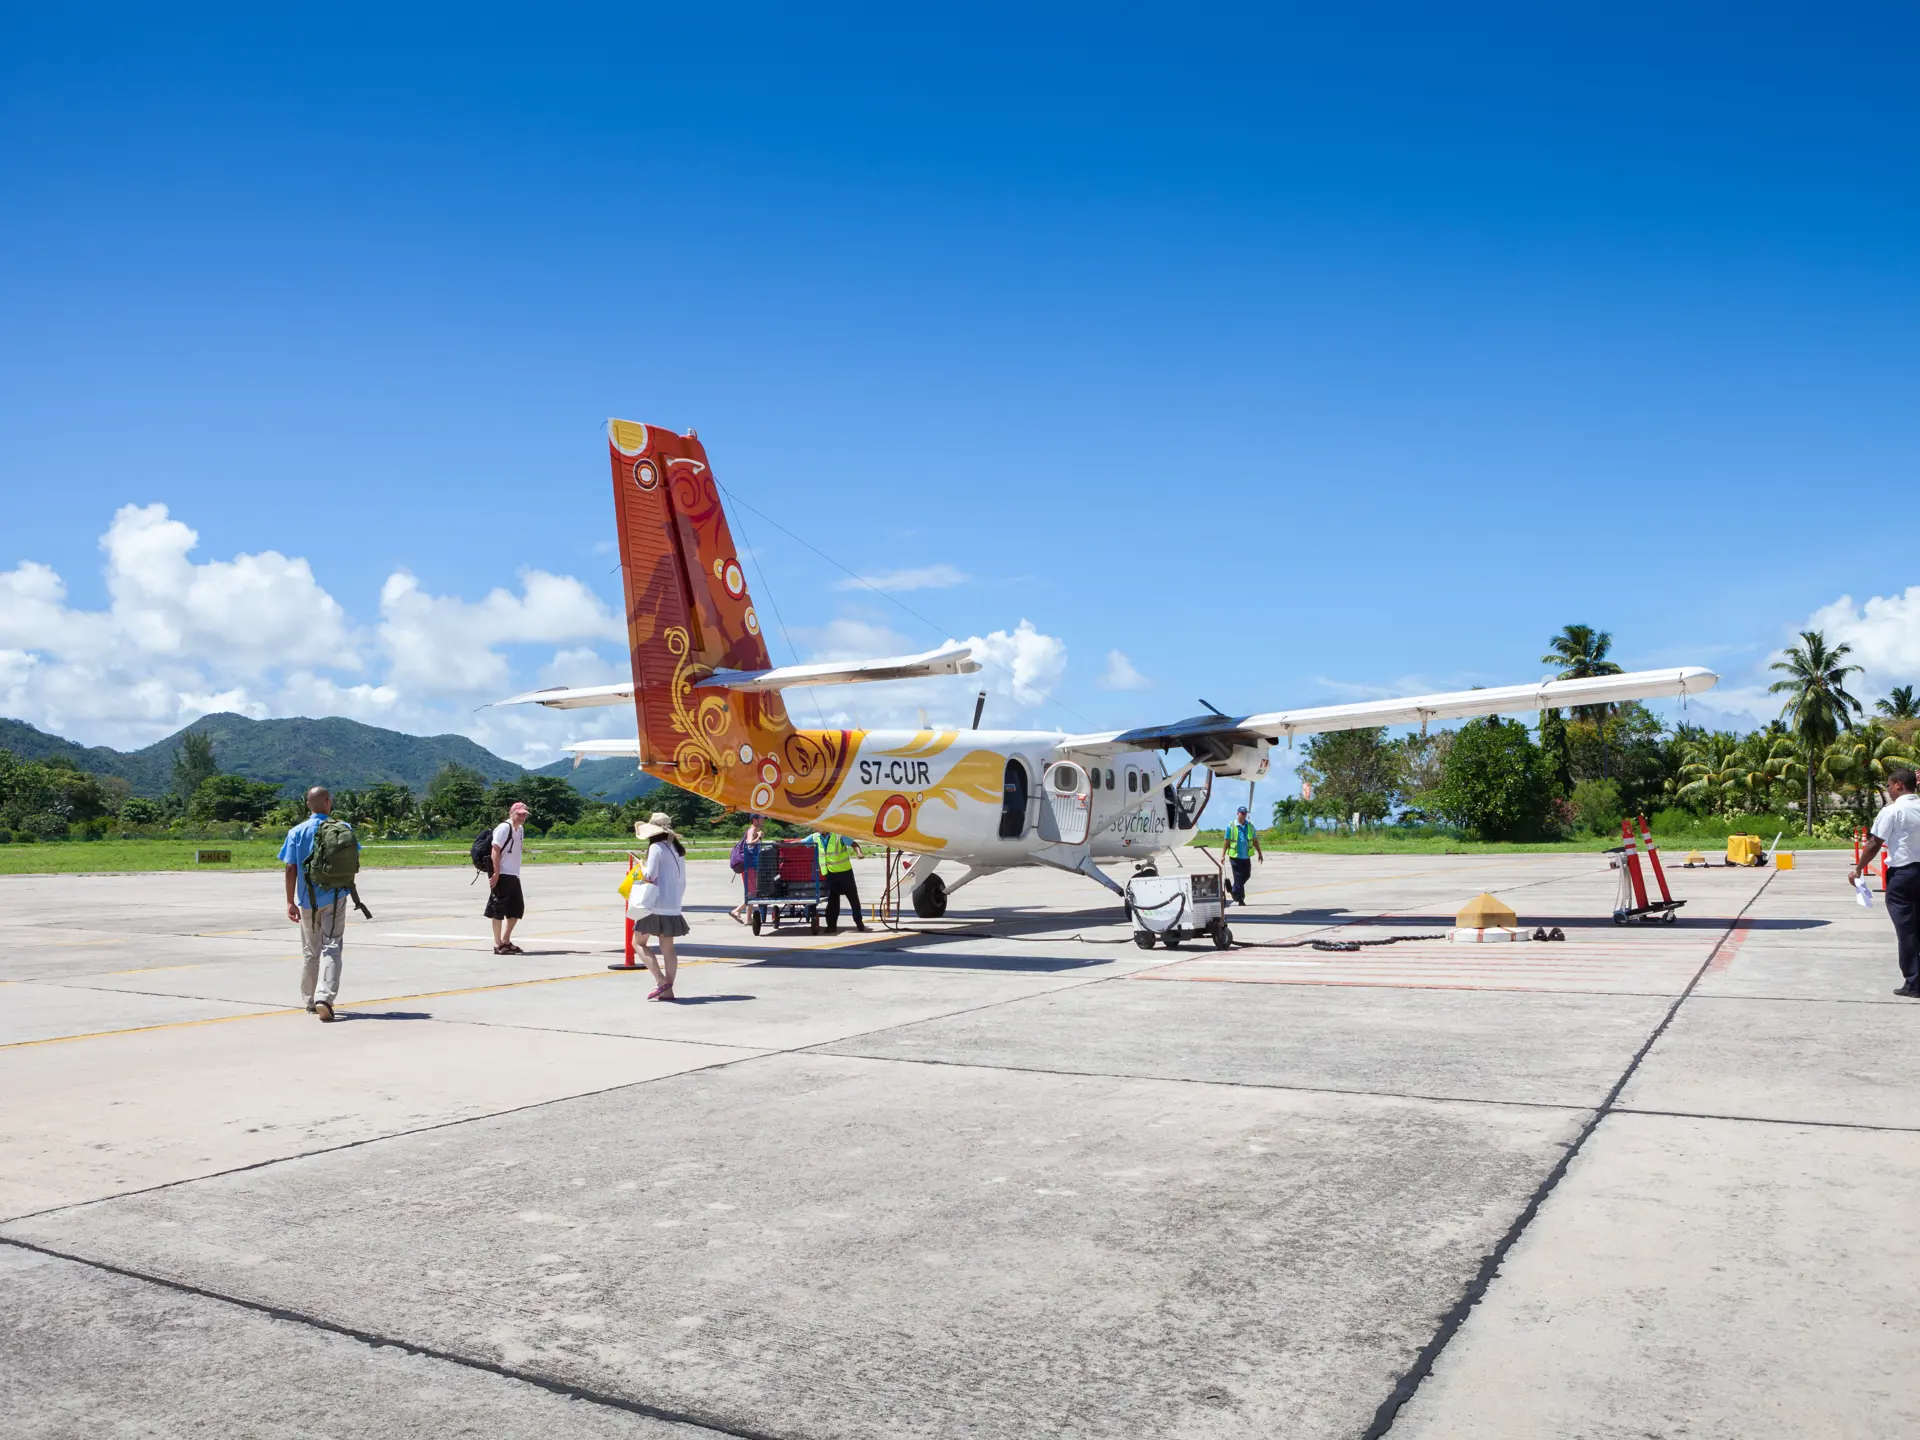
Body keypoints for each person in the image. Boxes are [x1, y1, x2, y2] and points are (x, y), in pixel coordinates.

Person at [278, 786, 352, 1022]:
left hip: (307, 901)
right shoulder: (343, 829)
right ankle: (325, 998)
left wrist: (290, 901)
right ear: (328, 802)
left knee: (311, 952)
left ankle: (310, 1000)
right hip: (336, 897)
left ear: (308, 804)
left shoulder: (296, 832)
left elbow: (290, 868)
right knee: (332, 947)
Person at [1852, 766, 1920, 997]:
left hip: (1903, 876)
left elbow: (1873, 843)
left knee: (1906, 930)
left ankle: (1914, 982)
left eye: (1889, 786)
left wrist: (1858, 869)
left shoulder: (1892, 811)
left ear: (1899, 784)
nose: (1889, 790)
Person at [613, 811, 688, 1000]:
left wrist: (641, 864)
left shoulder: (656, 847)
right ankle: (669, 991)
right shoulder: (678, 849)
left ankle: (661, 982)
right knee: (668, 948)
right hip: (674, 904)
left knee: (637, 943)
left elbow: (650, 875)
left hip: (656, 904)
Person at [486, 801, 530, 954]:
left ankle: (506, 940)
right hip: (503, 873)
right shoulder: (504, 827)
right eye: (519, 814)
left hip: (513, 874)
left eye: (524, 814)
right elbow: (495, 850)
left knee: (516, 909)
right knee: (498, 909)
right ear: (511, 814)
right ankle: (498, 944)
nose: (522, 817)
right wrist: (496, 873)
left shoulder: (521, 829)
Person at [812, 827, 868, 933]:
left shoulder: (838, 835)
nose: (816, 828)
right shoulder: (815, 837)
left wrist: (859, 853)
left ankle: (859, 923)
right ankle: (832, 926)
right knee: (833, 902)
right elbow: (800, 843)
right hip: (830, 875)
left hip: (845, 873)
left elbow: (854, 844)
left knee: (853, 900)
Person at [1220, 805, 1264, 906]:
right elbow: (1226, 842)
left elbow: (1255, 841)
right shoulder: (1231, 826)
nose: (1243, 815)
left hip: (1246, 856)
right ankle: (1240, 899)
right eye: (1241, 813)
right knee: (1238, 878)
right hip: (1235, 856)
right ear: (1237, 814)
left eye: (1245, 814)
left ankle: (1233, 890)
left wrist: (1260, 854)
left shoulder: (1250, 826)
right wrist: (1222, 855)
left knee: (1247, 875)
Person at [728, 815, 766, 925]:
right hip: (749, 866)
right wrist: (759, 837)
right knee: (753, 893)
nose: (763, 820)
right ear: (755, 820)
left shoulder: (754, 830)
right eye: (762, 818)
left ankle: (749, 919)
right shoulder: (753, 830)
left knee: (750, 892)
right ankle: (737, 910)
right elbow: (749, 843)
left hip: (750, 865)